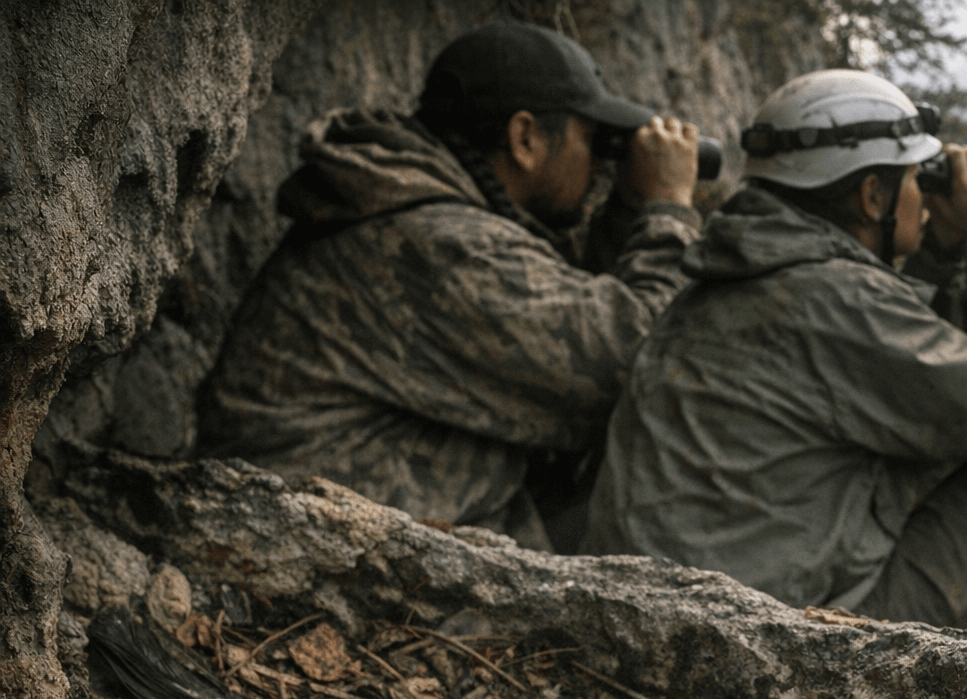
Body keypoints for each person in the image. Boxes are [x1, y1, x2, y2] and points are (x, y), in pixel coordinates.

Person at [582, 69, 967, 657]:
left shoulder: (733, 271)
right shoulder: (831, 299)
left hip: (664, 626)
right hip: (781, 646)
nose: (923, 192)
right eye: (915, 177)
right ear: (871, 197)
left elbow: (885, 349)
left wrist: (936, 250)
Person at [197, 21, 702, 552]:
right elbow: (637, 364)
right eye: (593, 138)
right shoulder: (442, 243)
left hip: (317, 525)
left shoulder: (418, 218)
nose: (602, 160)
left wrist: (624, 214)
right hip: (301, 547)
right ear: (525, 138)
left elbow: (573, 313)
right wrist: (667, 208)